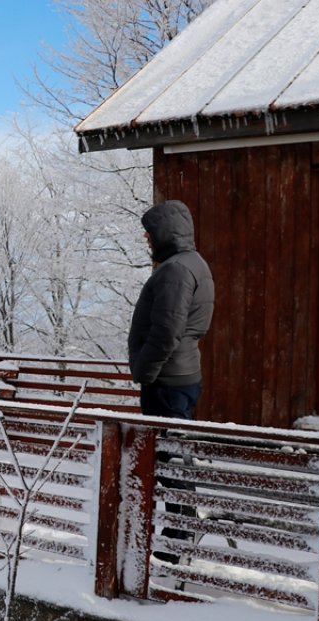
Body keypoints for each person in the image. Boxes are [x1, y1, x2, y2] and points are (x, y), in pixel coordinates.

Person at [128, 199, 214, 567]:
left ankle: (177, 540)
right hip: (178, 376)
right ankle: (177, 535)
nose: (147, 241)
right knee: (174, 459)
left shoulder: (177, 270)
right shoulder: (192, 264)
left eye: (149, 234)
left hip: (167, 380)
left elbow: (166, 331)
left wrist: (144, 372)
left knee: (171, 463)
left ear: (163, 233)